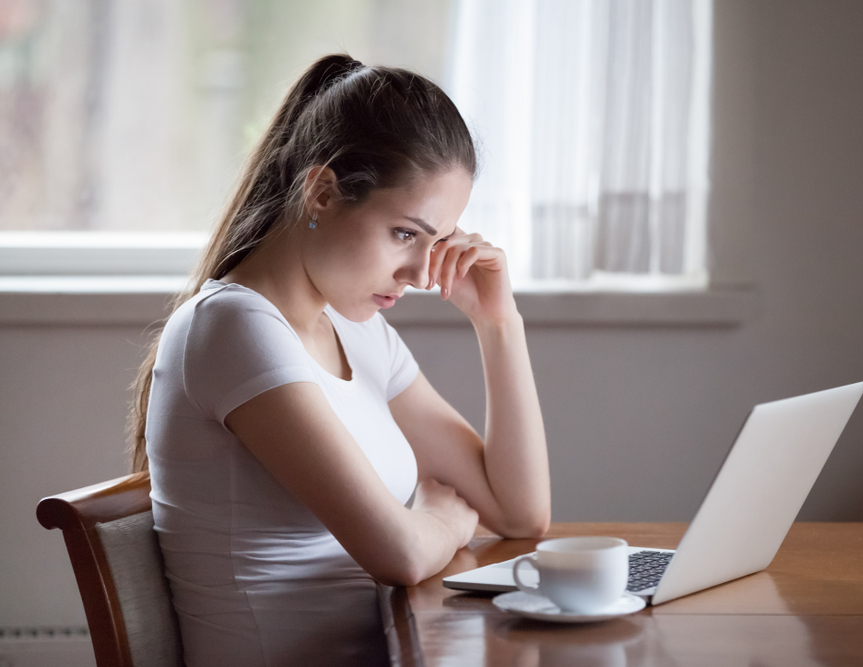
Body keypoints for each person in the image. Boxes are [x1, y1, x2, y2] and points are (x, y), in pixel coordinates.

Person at [130, 54, 550, 667]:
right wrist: (443, 519)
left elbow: (520, 513)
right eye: (406, 234)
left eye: (437, 241)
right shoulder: (233, 326)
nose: (420, 274)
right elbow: (399, 554)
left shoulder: (357, 331)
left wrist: (497, 323)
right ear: (322, 192)